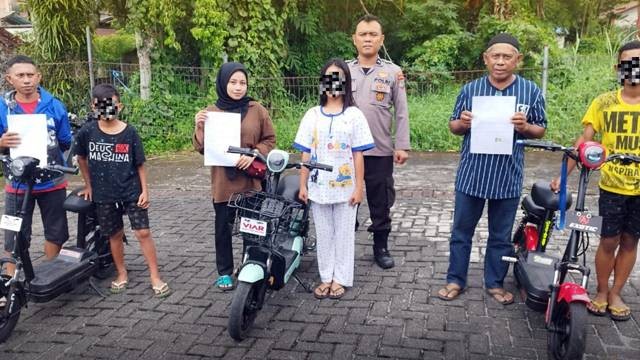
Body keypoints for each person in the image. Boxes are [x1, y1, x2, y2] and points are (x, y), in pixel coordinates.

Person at [437, 34, 547, 305]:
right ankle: (455, 280)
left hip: (506, 177)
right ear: (486, 59)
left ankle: (495, 283)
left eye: (506, 56)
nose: (500, 62)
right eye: (494, 56)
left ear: (517, 60)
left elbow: (540, 129)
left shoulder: (530, 91)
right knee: (461, 232)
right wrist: (462, 123)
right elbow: (453, 126)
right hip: (472, 175)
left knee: (500, 236)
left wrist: (525, 127)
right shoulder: (470, 90)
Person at [550, 40, 640, 321]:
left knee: (630, 241)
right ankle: (601, 291)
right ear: (619, 68)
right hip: (611, 186)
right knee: (609, 240)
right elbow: (584, 143)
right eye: (629, 63)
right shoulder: (604, 103)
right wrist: (563, 175)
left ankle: (616, 292)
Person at [74, 83, 170, 298]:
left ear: (120, 106)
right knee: (114, 234)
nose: (108, 110)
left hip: (131, 190)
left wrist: (145, 190)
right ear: (94, 106)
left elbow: (140, 164)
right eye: (102, 106)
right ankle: (121, 273)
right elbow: (81, 158)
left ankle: (155, 275)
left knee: (143, 232)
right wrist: (89, 185)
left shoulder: (130, 132)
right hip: (103, 193)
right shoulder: (87, 132)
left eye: (112, 105)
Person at [294, 58, 375, 300]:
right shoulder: (312, 115)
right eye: (328, 76)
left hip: (346, 189)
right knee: (324, 233)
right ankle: (325, 277)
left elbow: (358, 154)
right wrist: (302, 184)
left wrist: (359, 188)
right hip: (318, 188)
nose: (333, 82)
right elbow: (305, 152)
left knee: (344, 234)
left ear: (346, 82)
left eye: (338, 76)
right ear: (322, 82)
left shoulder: (354, 115)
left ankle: (340, 279)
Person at [193, 62, 276, 291]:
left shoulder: (256, 109)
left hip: (250, 180)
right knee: (223, 228)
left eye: (242, 82)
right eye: (233, 82)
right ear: (223, 83)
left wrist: (255, 154)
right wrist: (199, 126)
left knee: (252, 226)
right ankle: (225, 272)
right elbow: (202, 147)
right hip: (223, 182)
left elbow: (269, 139)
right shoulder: (211, 112)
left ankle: (251, 264)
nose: (238, 87)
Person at [348, 14, 410, 270]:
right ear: (354, 39)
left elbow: (402, 111)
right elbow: (324, 106)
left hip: (379, 150)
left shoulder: (393, 73)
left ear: (381, 39)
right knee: (343, 201)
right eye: (363, 34)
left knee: (381, 201)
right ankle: (342, 246)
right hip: (344, 153)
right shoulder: (339, 70)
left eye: (373, 34)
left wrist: (402, 145)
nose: (368, 38)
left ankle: (380, 247)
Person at [0, 55, 72, 276]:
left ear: (38, 76)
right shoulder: (3, 108)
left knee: (56, 233)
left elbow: (66, 141)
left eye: (30, 75)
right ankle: (8, 288)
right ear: (9, 79)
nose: (26, 80)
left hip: (52, 184)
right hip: (17, 186)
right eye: (20, 75)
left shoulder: (55, 106)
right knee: (13, 237)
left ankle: (49, 276)